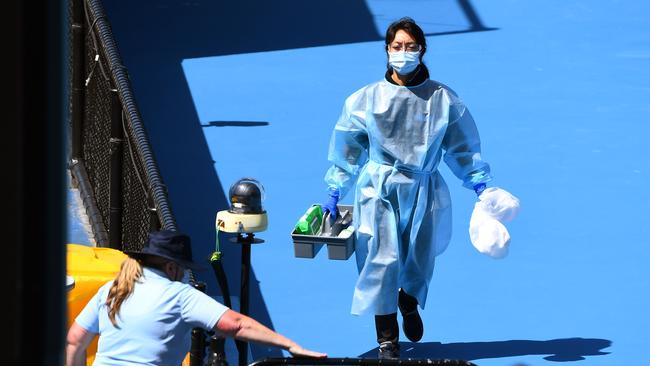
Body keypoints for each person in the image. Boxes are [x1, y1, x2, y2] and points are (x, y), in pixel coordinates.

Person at [321, 17, 513, 358]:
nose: (403, 53)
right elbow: (348, 145)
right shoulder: (365, 100)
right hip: (377, 191)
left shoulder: (443, 100)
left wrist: (480, 185)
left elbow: (463, 147)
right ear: (387, 50)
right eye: (397, 46)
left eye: (410, 46)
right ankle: (387, 338)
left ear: (422, 50)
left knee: (419, 259)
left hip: (423, 188)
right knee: (380, 260)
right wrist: (336, 187)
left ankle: (408, 301)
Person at [66, 230, 326, 365]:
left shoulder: (112, 289)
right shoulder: (179, 295)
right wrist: (291, 346)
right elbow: (236, 324)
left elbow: (75, 341)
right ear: (172, 268)